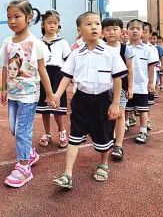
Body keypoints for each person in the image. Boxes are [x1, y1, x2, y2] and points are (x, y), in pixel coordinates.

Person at [52, 12, 127, 188]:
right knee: (75, 136)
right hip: (81, 100)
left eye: (97, 24)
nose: (94, 27)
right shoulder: (76, 54)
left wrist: (116, 103)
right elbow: (66, 77)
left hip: (103, 101)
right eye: (88, 24)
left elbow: (117, 79)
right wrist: (56, 95)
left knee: (103, 136)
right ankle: (67, 174)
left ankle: (103, 164)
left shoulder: (111, 53)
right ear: (79, 30)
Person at [0, 0, 57, 188]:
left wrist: (49, 94)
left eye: (17, 16)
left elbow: (42, 70)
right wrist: (3, 89)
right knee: (13, 129)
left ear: (29, 18)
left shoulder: (35, 43)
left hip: (29, 96)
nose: (12, 21)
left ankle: (24, 167)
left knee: (22, 131)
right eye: (9, 17)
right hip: (13, 95)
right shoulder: (8, 42)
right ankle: (30, 154)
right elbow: (5, 68)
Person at [36, 10, 71, 149]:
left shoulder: (63, 42)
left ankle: (62, 132)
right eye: (49, 23)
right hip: (43, 75)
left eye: (55, 23)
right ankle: (47, 133)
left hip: (58, 75)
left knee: (57, 107)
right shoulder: (38, 43)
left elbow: (69, 61)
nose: (52, 26)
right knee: (44, 108)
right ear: (43, 25)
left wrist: (71, 76)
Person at [101, 17, 134, 161]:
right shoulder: (100, 47)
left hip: (121, 87)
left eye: (115, 29)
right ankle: (107, 140)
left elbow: (130, 69)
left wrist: (131, 87)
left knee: (120, 115)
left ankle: (118, 145)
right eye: (107, 29)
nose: (111, 32)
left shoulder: (125, 49)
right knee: (106, 115)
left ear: (121, 31)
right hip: (103, 87)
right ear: (103, 32)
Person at [124, 19, 158, 144]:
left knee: (143, 109)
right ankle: (125, 124)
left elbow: (151, 67)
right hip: (127, 85)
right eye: (131, 28)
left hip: (142, 85)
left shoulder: (148, 49)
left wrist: (151, 83)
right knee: (126, 108)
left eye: (138, 29)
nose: (134, 31)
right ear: (127, 31)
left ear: (142, 32)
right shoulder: (123, 48)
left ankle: (143, 131)